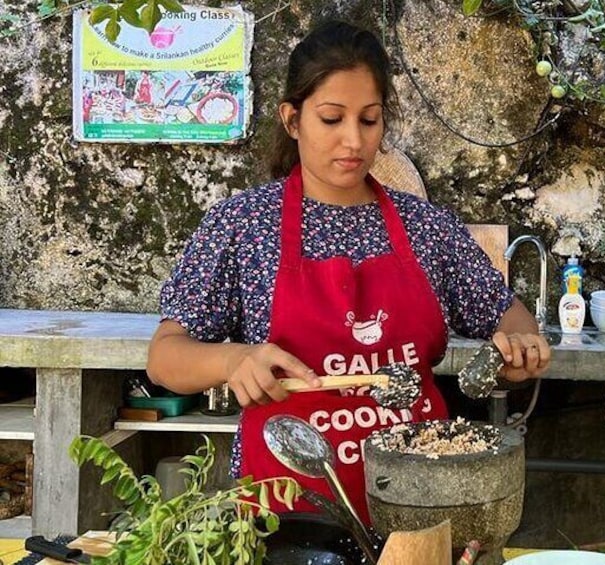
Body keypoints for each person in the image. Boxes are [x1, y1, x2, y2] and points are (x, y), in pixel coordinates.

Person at [146, 20, 551, 521]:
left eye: (370, 120)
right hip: (289, 506)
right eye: (332, 119)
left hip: (420, 497)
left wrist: (518, 350)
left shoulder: (426, 227)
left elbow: (510, 320)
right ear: (292, 121)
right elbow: (165, 358)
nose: (354, 141)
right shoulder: (244, 225)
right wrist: (234, 362)